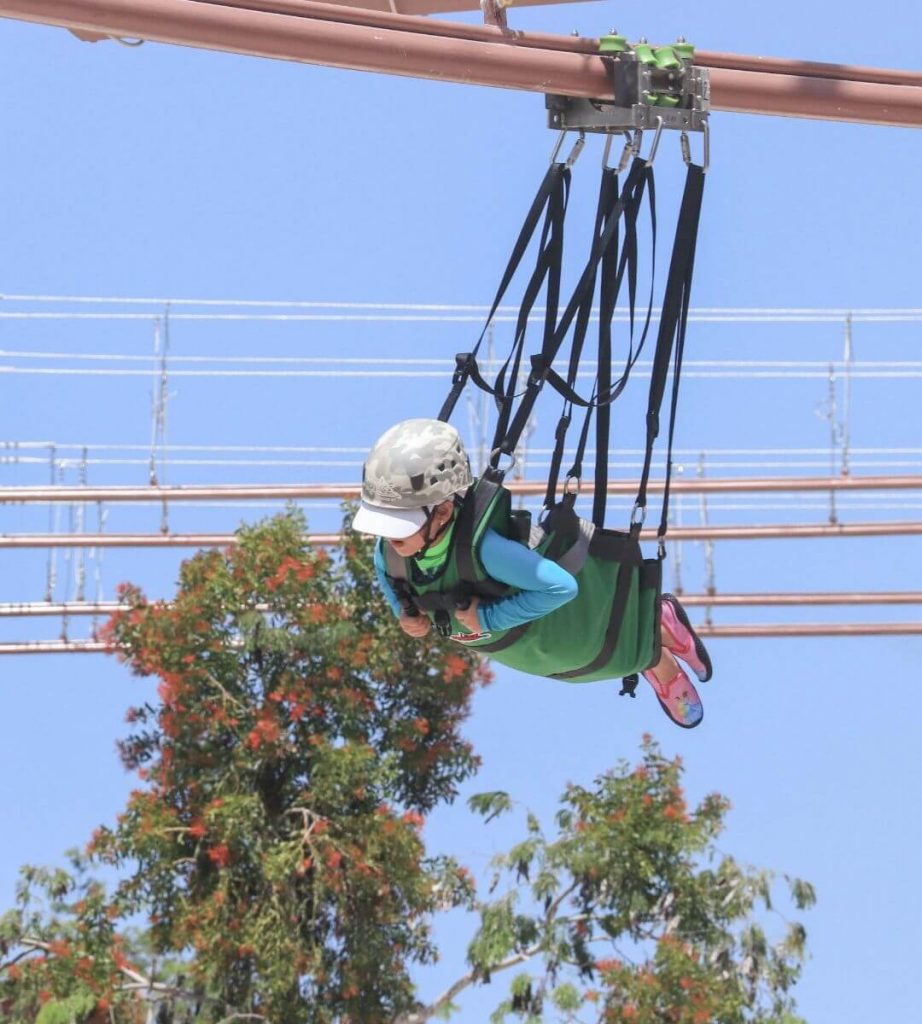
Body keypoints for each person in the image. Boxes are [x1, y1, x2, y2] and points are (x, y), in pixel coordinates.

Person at [352, 418, 711, 729]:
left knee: (619, 654)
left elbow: (562, 587)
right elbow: (386, 573)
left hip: (561, 632)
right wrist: (403, 612)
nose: (389, 536)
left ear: (443, 511)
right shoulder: (394, 551)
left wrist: (490, 617)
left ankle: (658, 641)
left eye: (400, 524)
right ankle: (659, 637)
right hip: (533, 653)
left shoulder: (487, 551)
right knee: (606, 660)